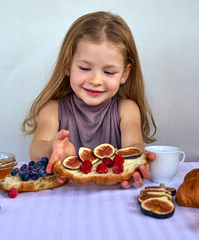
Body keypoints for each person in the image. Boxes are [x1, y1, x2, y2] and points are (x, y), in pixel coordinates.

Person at [22, 11, 157, 188]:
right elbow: (36, 151)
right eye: (85, 68)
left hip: (112, 198)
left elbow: (133, 145)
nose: (95, 81)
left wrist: (137, 163)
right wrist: (53, 148)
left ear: (125, 73)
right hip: (63, 200)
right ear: (67, 65)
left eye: (109, 72)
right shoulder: (52, 109)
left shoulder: (127, 109)